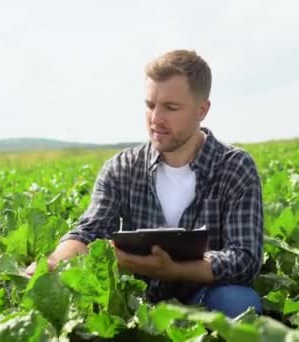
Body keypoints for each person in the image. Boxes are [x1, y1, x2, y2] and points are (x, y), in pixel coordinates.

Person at [24, 49, 263, 318]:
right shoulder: (122, 167)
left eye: (171, 108)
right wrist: (54, 261)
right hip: (135, 300)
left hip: (204, 296)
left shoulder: (234, 166)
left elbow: (245, 259)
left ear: (202, 110)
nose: (155, 118)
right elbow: (91, 229)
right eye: (150, 105)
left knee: (239, 303)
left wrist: (174, 269)